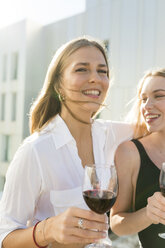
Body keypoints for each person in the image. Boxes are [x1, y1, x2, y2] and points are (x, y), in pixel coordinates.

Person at [0, 36, 132, 248]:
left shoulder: (112, 133)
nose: (95, 78)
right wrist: (48, 230)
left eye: (102, 71)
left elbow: (152, 125)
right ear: (58, 85)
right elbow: (4, 238)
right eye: (82, 69)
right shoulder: (35, 151)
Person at [110, 68, 165, 248]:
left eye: (159, 96)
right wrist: (148, 214)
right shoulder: (129, 152)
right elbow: (117, 222)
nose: (147, 106)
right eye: (143, 99)